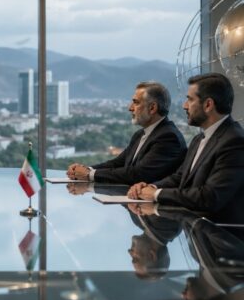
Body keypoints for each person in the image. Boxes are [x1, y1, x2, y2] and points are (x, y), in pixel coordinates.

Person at [127, 73, 244, 223]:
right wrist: (151, 187)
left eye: (190, 99)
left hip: (221, 233)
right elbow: (180, 177)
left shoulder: (235, 142)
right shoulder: (198, 139)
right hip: (195, 227)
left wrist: (156, 194)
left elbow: (209, 197)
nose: (185, 105)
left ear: (208, 105)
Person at [67, 81, 187, 185]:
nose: (130, 108)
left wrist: (89, 174)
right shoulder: (140, 134)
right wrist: (85, 169)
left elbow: (138, 174)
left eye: (136, 102)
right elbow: (118, 163)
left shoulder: (169, 138)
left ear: (152, 108)